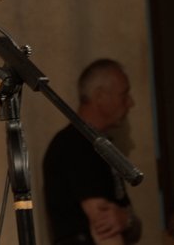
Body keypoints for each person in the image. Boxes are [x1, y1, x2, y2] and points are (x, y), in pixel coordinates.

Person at [43, 58, 141, 245]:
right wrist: (126, 220)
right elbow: (106, 228)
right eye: (124, 95)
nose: (130, 103)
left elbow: (127, 221)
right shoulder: (75, 146)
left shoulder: (103, 147)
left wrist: (127, 219)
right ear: (100, 96)